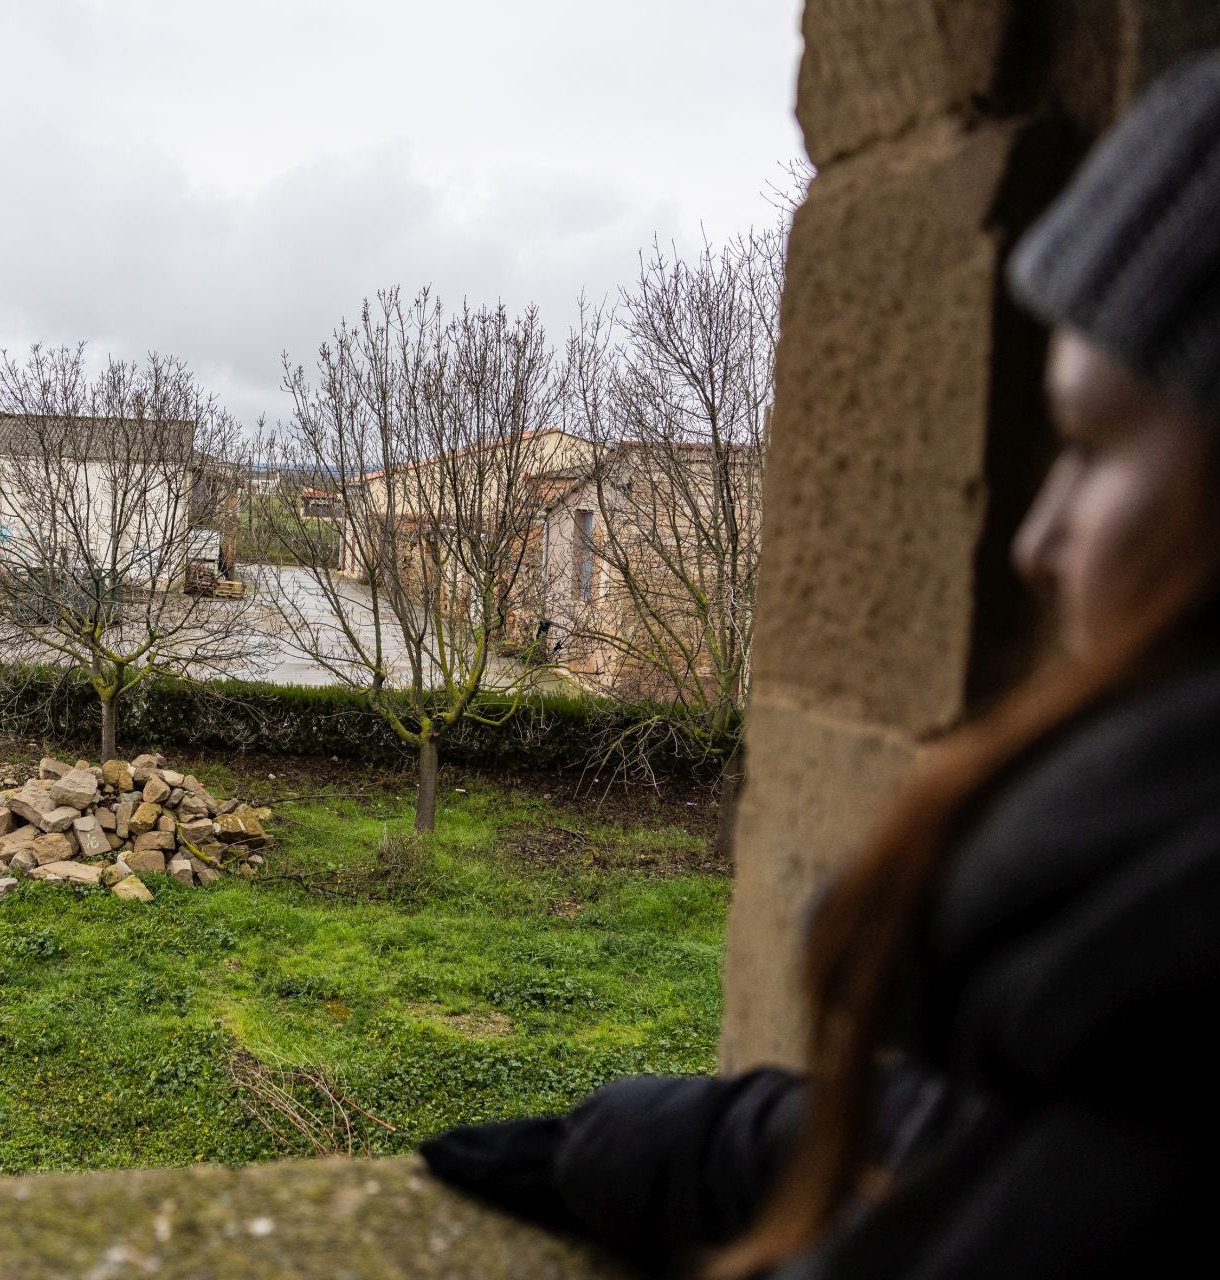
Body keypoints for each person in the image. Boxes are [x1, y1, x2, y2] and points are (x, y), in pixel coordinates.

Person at [420, 50, 1220, 1280]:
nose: (1035, 536)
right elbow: (988, 1137)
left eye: (1094, 443)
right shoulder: (1140, 1022)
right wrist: (682, 1144)